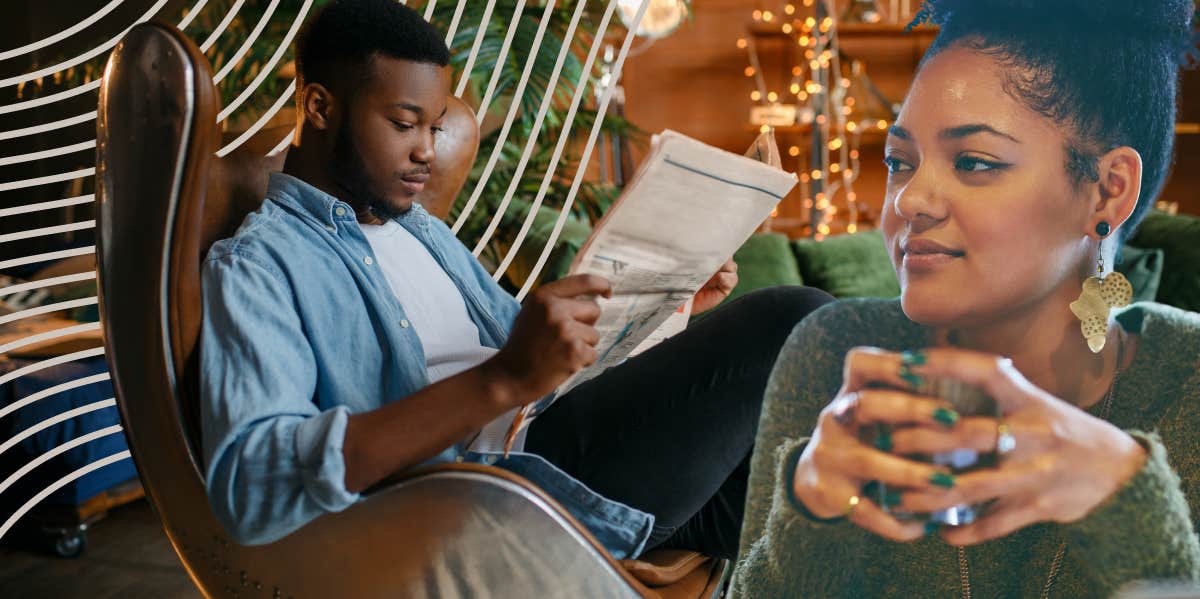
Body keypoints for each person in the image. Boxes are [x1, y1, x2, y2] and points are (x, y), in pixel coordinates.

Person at [199, 0, 832, 562]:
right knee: (799, 319)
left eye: (434, 124)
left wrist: (669, 309)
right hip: (500, 491)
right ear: (319, 107)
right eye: (403, 123)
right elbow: (251, 485)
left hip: (562, 439)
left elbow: (546, 369)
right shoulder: (259, 265)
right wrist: (502, 380)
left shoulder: (421, 230)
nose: (426, 149)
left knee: (822, 495)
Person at [732, 0, 1200, 596]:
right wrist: (813, 509)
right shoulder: (835, 356)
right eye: (900, 162)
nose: (909, 200)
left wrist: (1128, 501)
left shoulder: (1189, 385)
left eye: (974, 161)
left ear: (1107, 193)